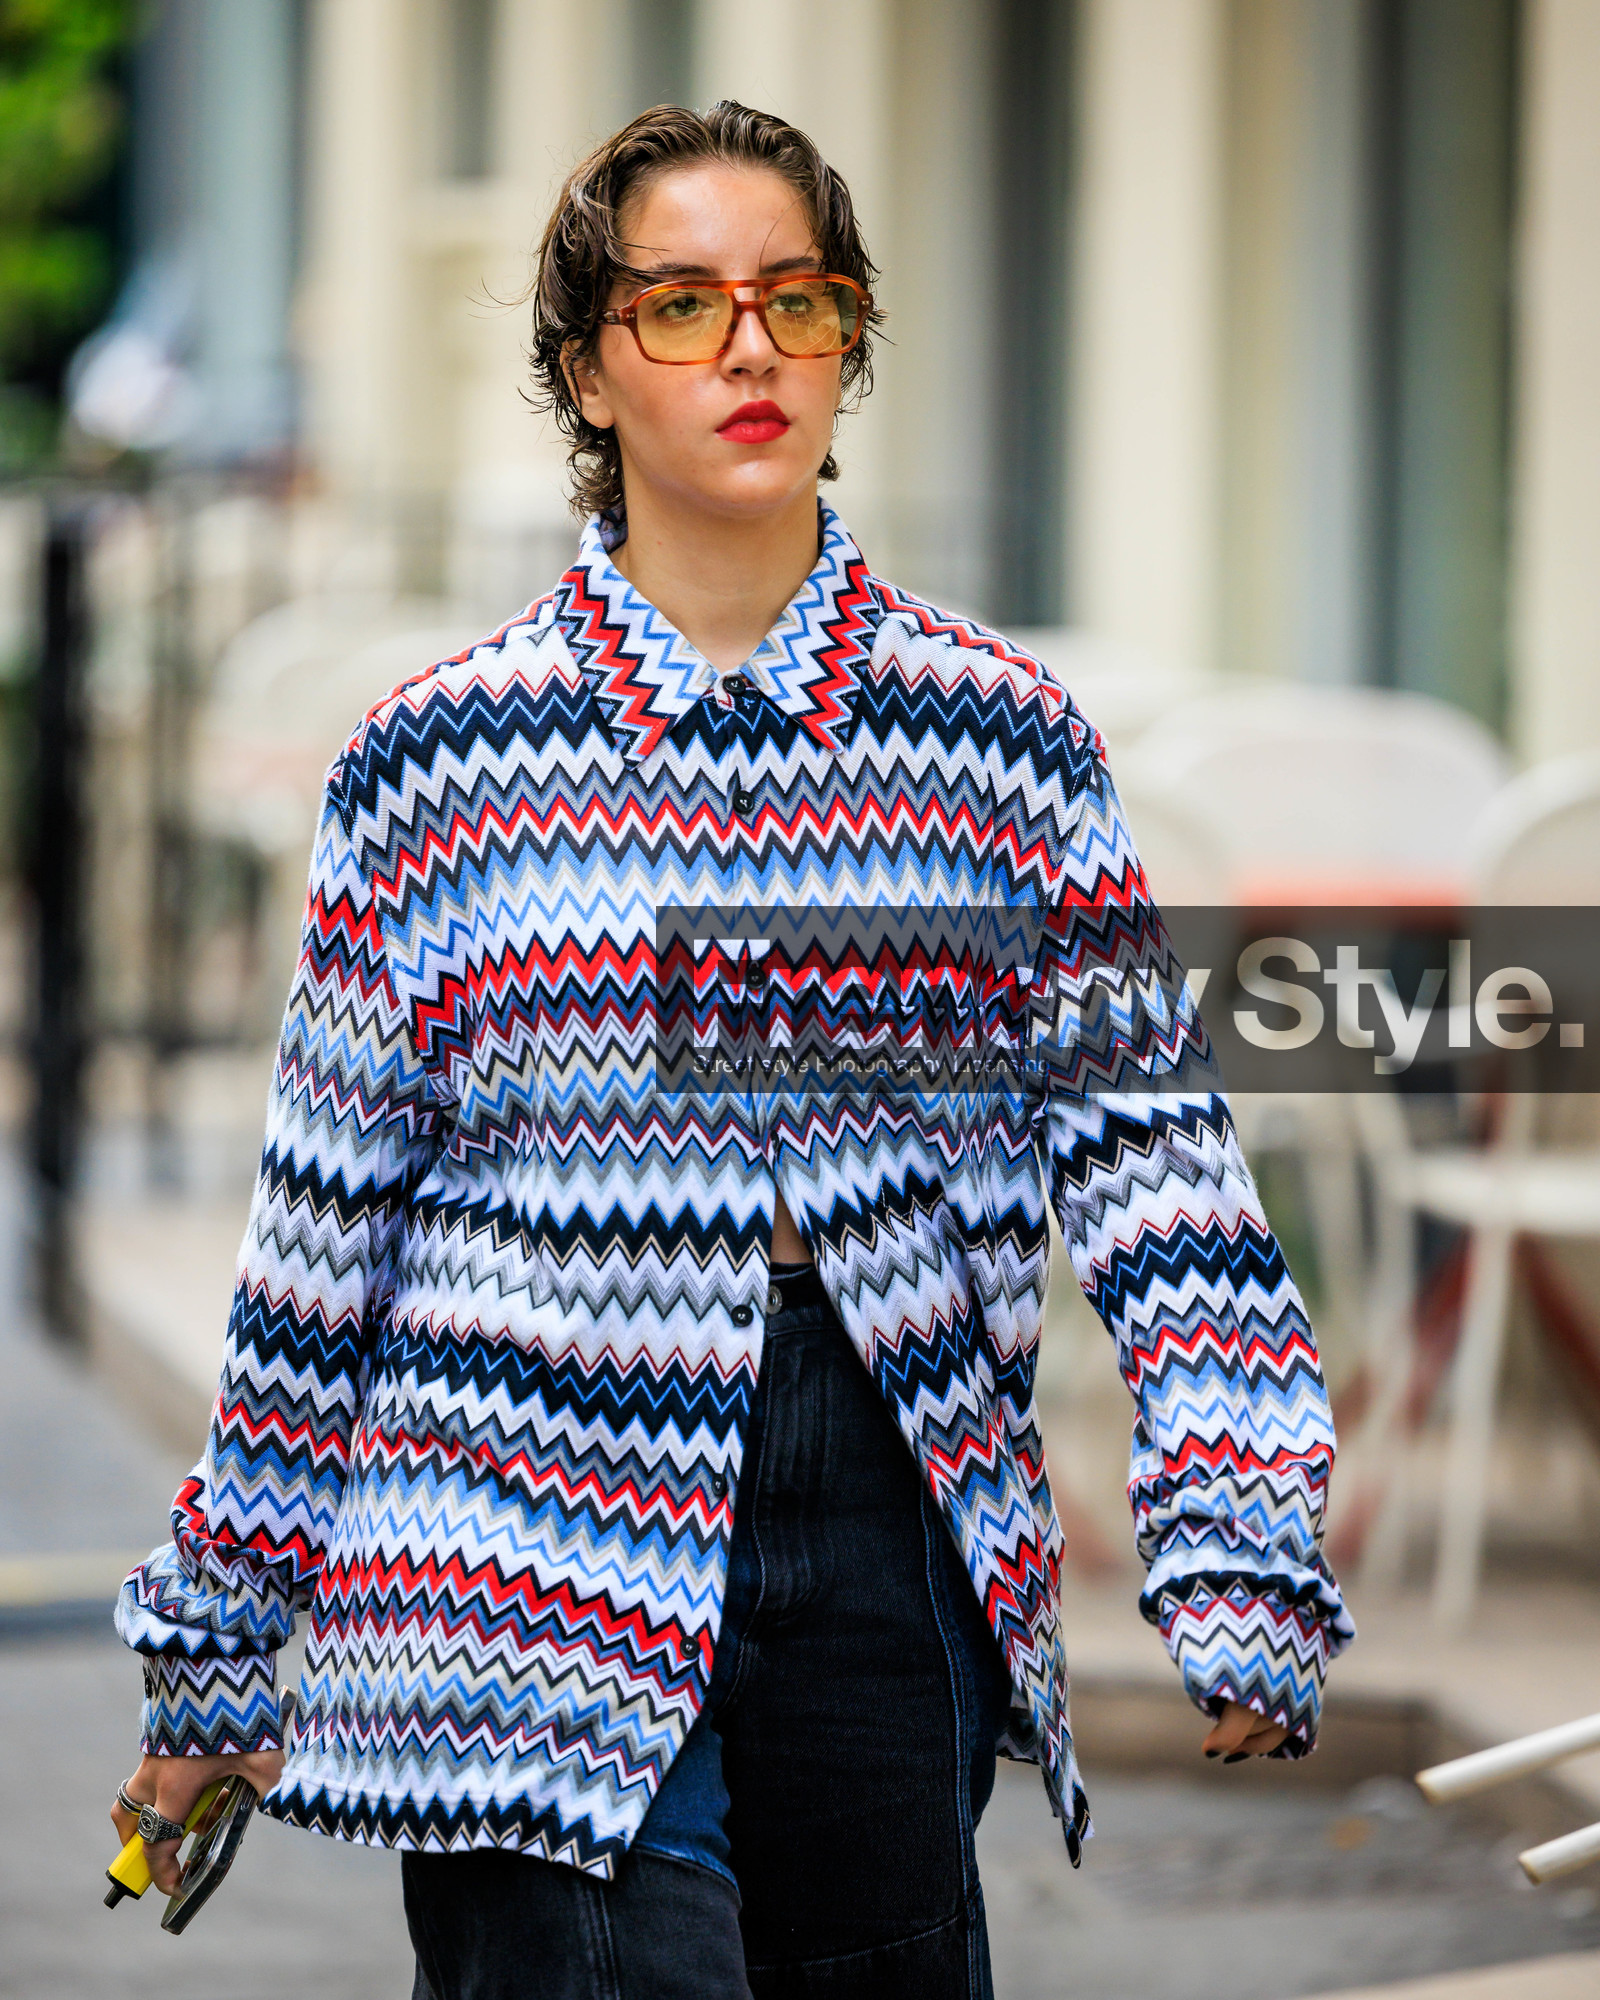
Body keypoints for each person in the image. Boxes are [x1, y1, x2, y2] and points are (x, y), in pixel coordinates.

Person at [112, 100, 1354, 1999]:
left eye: (799, 298)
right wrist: (218, 1643)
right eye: (681, 305)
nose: (751, 345)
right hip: (503, 1500)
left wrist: (1236, 1527)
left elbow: (1150, 1148)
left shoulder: (999, 742)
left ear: (852, 346)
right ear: (588, 373)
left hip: (882, 1485)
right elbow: (322, 1233)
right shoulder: (437, 757)